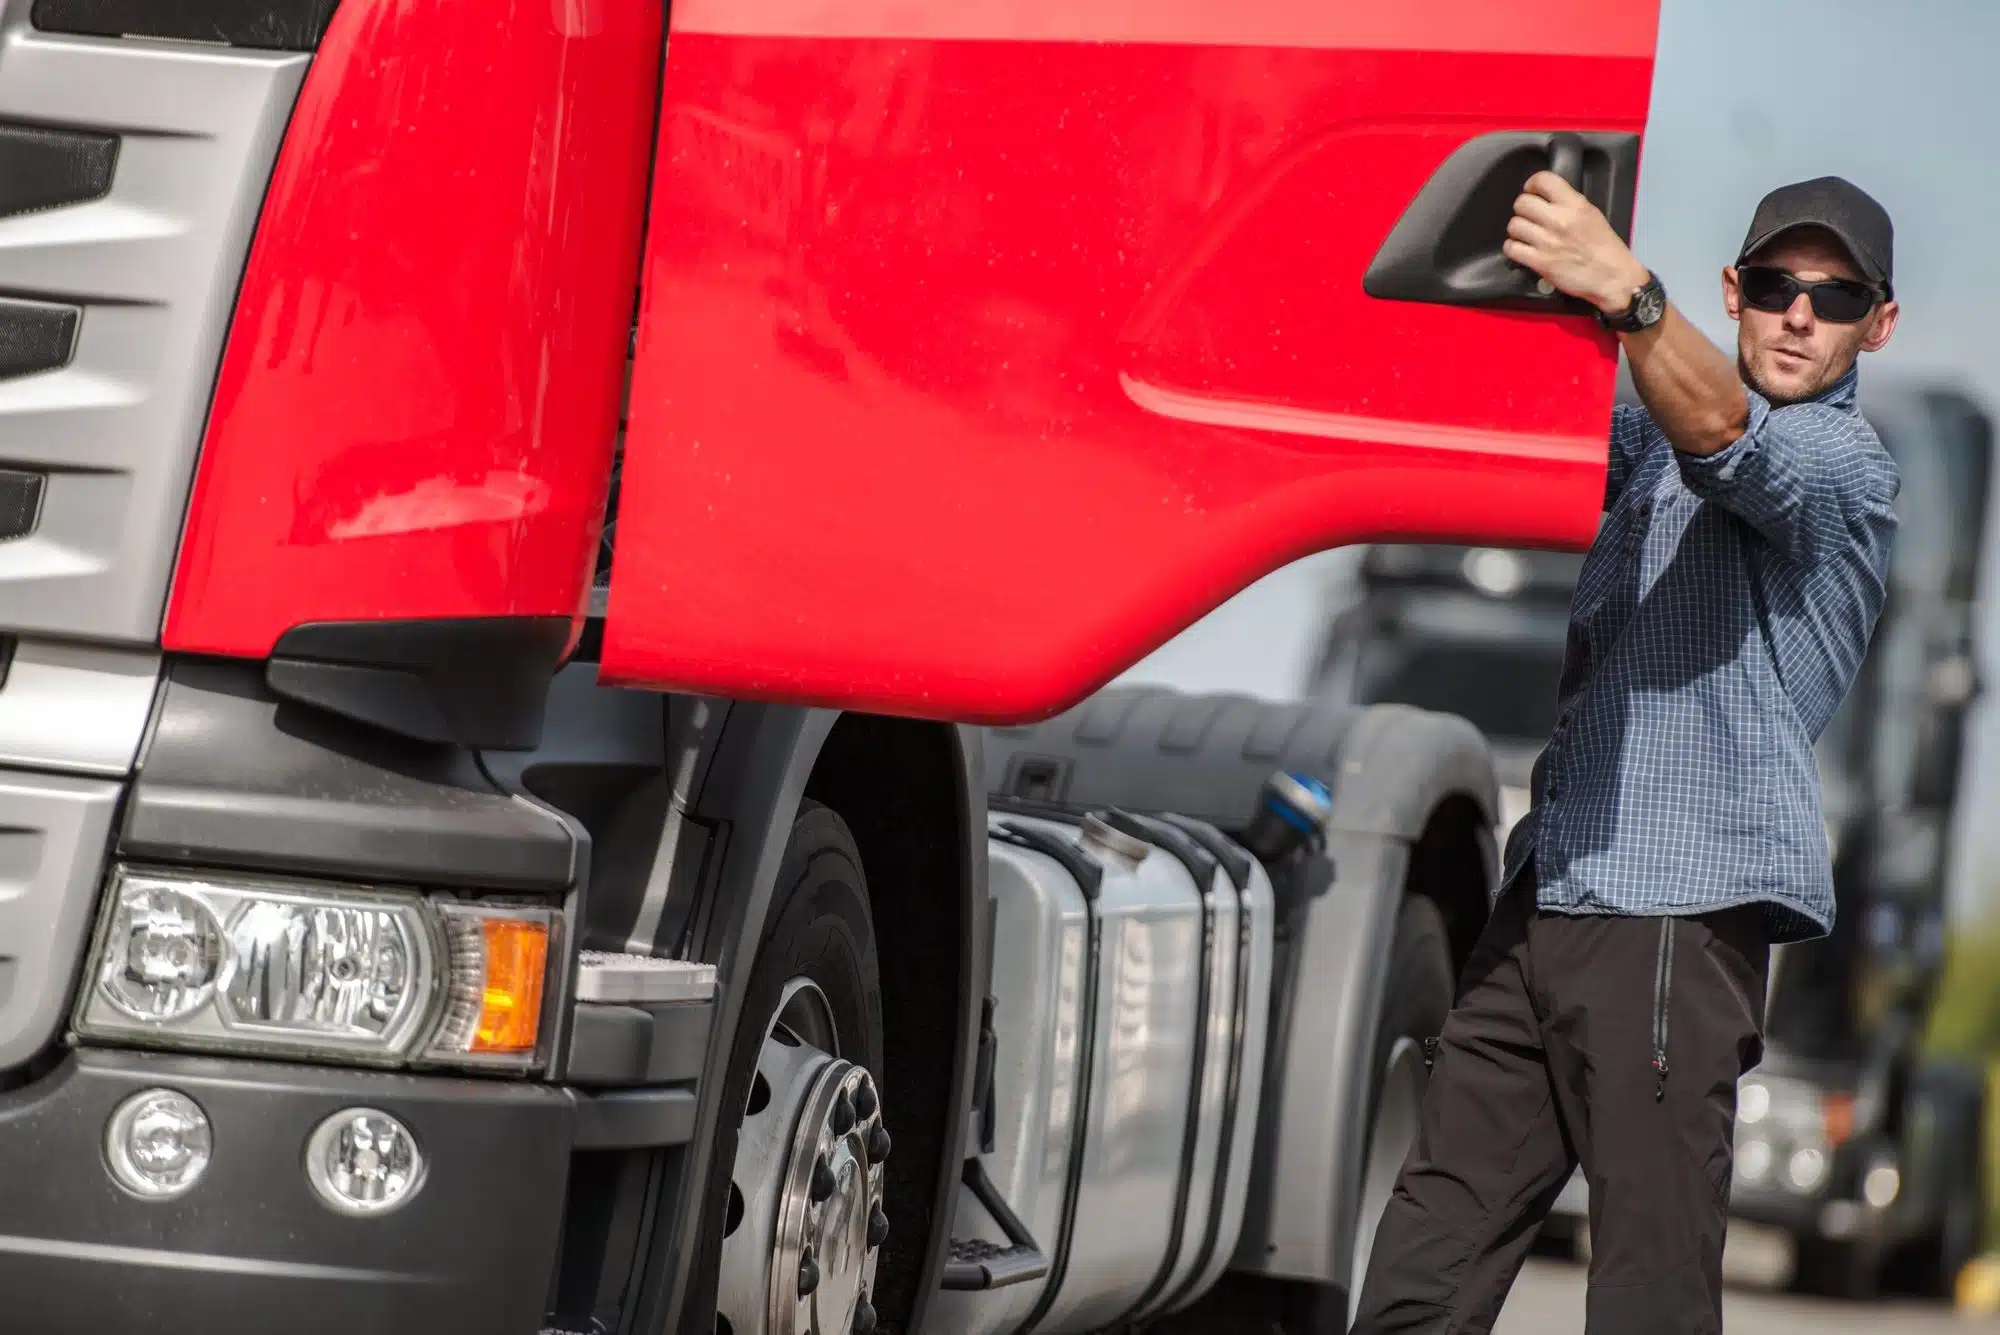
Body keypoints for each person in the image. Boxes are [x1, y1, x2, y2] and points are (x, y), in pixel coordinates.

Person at [1348, 173, 1903, 1335]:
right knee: (1419, 1277)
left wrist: (1629, 295)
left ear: (1876, 325)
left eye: (1833, 295)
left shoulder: (1844, 468)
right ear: (1735, 294)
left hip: (1673, 920)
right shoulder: (1648, 430)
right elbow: (1510, 429)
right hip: (1547, 893)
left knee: (1646, 1303)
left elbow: (1728, 441)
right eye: (1772, 286)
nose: (1798, 314)